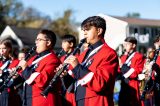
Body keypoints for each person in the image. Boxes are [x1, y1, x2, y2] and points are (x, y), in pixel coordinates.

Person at [63, 16, 119, 106]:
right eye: (83, 30)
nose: (84, 33)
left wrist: (77, 67)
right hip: (79, 100)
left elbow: (100, 83)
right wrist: (65, 76)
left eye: (87, 29)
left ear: (99, 31)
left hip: (97, 101)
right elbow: (75, 85)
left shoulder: (109, 53)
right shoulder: (84, 54)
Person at [18, 29, 62, 106]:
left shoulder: (53, 60)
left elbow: (42, 82)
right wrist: (16, 77)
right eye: (36, 39)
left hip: (42, 101)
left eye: (39, 40)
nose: (36, 42)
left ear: (48, 42)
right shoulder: (33, 59)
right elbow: (26, 78)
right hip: (28, 99)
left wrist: (26, 69)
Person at [118, 37, 145, 106]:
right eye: (124, 44)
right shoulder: (123, 57)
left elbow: (135, 73)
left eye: (127, 44)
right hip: (123, 85)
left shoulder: (139, 57)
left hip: (133, 85)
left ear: (133, 45)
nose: (125, 46)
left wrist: (122, 66)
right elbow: (119, 71)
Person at [0, 39, 21, 106]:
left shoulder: (15, 62)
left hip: (9, 93)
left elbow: (19, 78)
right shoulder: (0, 62)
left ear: (9, 49)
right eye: (0, 48)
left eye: (4, 48)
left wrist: (4, 73)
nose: (1, 51)